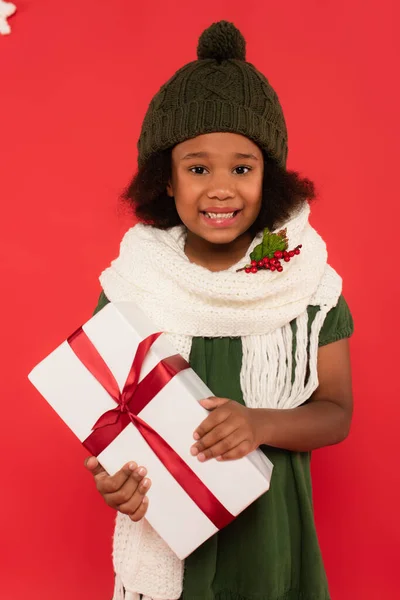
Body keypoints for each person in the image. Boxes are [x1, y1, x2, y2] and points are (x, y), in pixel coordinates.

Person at [84, 20, 354, 600]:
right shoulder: (132, 284)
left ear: (270, 178)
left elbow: (336, 413)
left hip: (269, 535)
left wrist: (261, 423)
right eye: (198, 167)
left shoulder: (307, 285)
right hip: (169, 522)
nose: (221, 188)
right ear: (167, 180)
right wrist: (115, 480)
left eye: (243, 167)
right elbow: (110, 424)